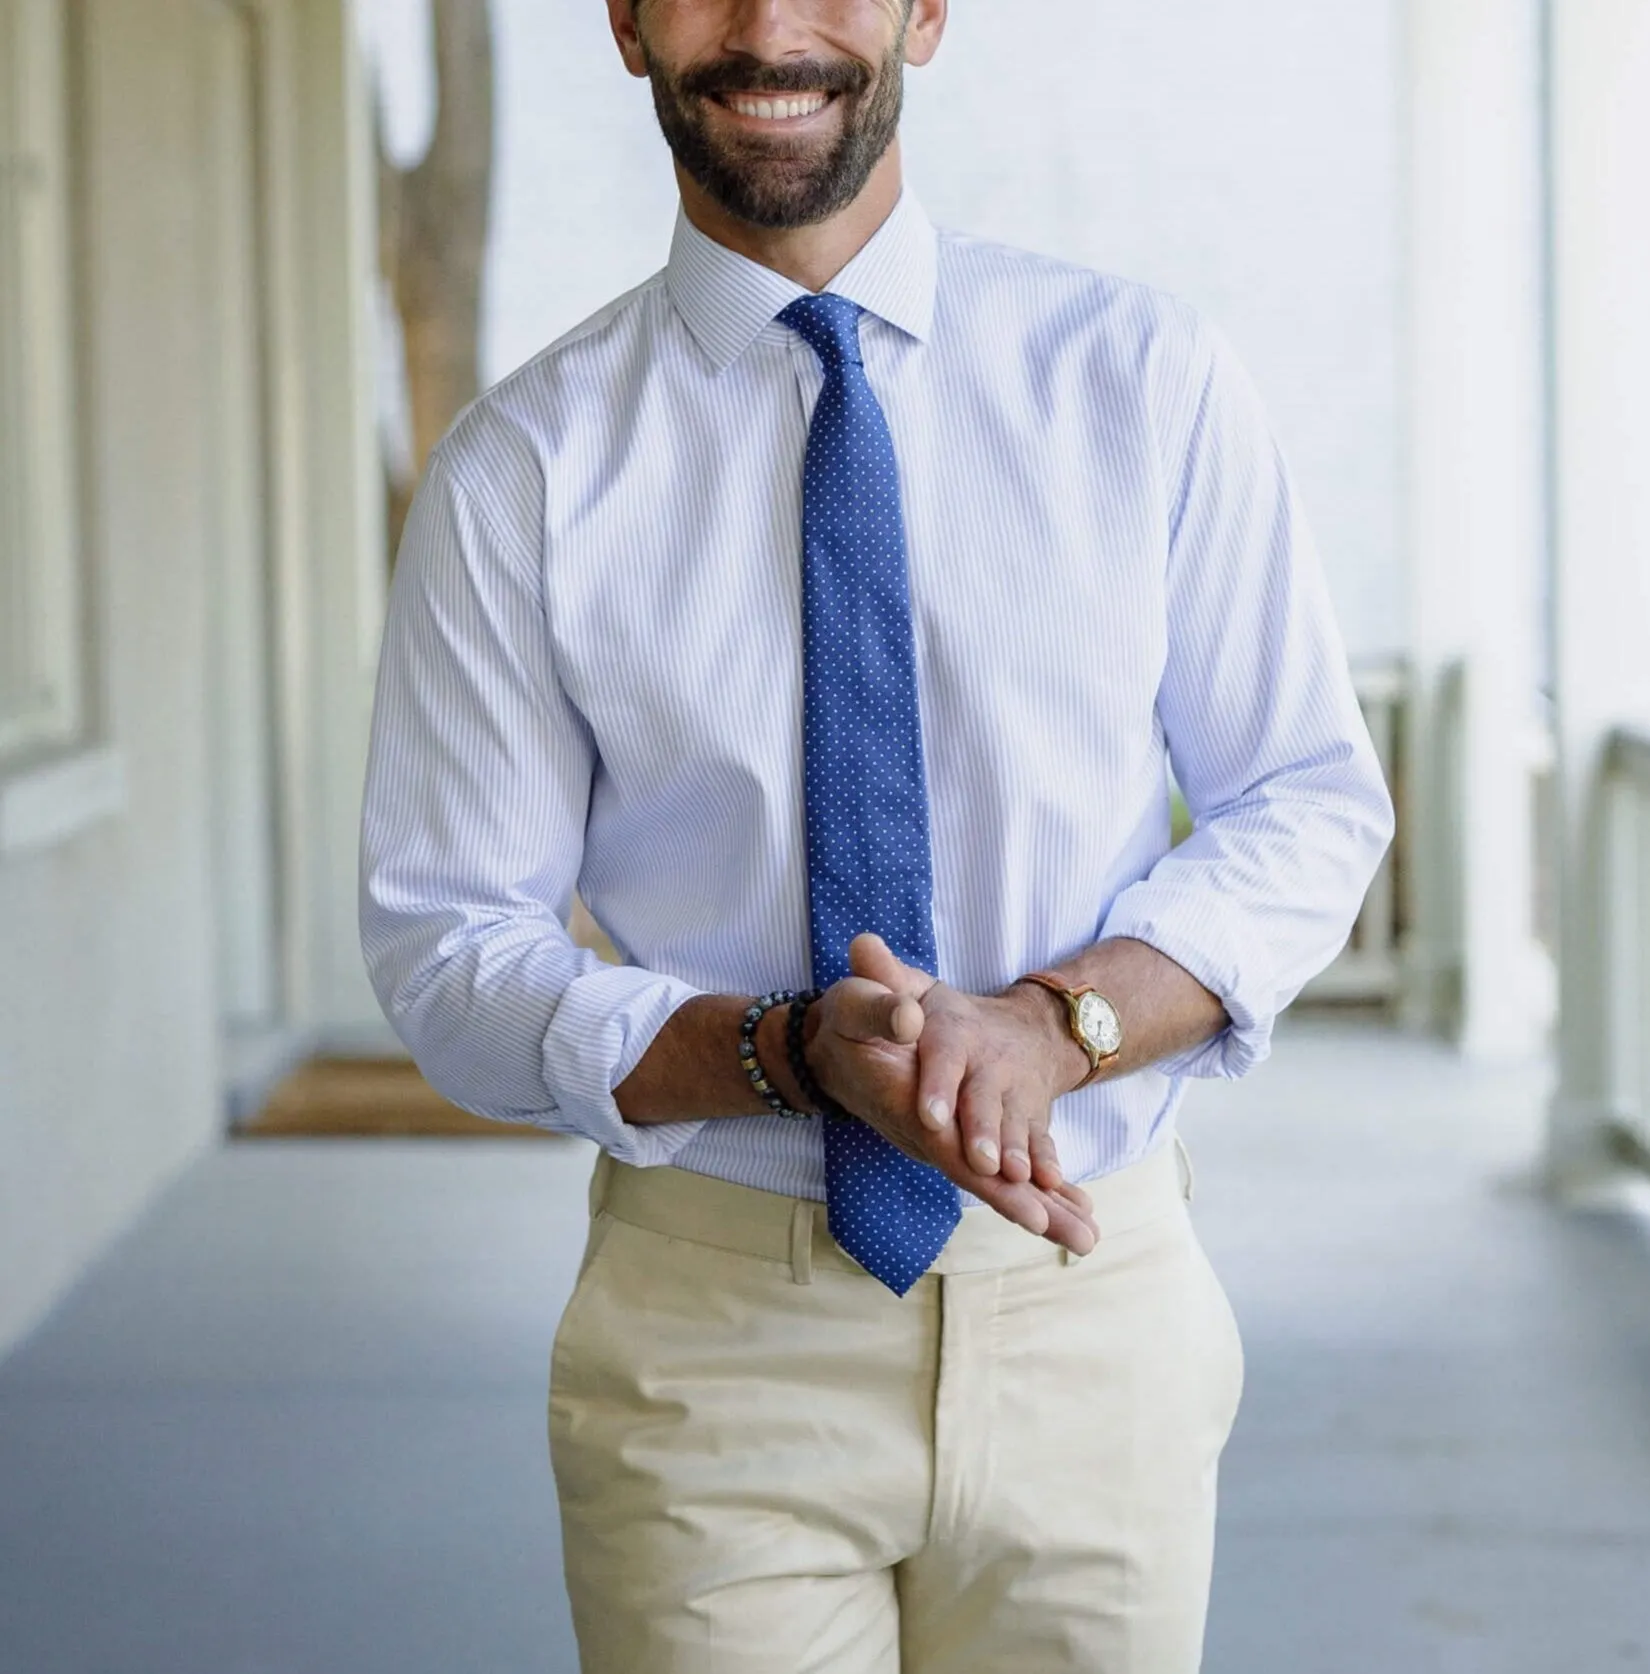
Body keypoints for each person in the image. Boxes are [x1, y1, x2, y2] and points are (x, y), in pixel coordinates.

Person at [359, 1, 1395, 1668]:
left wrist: (1060, 1025)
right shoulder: (522, 474)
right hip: (714, 1345)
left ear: (925, 8)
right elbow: (448, 939)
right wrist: (775, 1050)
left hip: (1093, 1318)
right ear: (623, 20)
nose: (770, 28)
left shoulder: (1142, 380)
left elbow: (1306, 794)